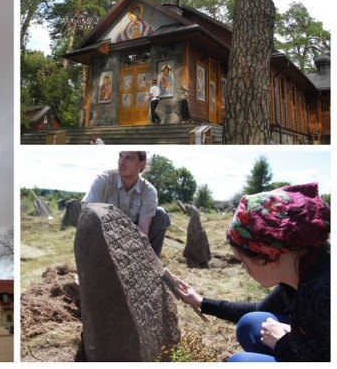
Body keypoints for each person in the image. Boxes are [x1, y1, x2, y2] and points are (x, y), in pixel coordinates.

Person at [172, 183, 330, 362]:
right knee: (251, 323)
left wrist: (284, 343)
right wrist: (202, 302)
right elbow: (261, 309)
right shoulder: (298, 268)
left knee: (238, 362)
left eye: (242, 260)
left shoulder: (322, 296)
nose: (242, 268)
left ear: (269, 256)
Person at [82, 151, 170, 256]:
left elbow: (143, 230)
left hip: (132, 238)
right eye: (120, 156)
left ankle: (152, 266)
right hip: (103, 235)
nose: (121, 162)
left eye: (129, 158)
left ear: (141, 165)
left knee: (161, 215)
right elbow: (85, 214)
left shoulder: (149, 191)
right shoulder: (104, 179)